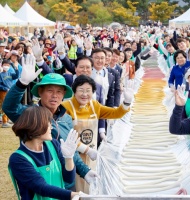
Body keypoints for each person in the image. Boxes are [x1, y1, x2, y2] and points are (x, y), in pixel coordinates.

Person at [3, 55, 98, 190]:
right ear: (40, 92)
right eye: (50, 91)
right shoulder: (30, 114)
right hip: (40, 177)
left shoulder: (65, 117)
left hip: (65, 179)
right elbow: (9, 107)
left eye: (59, 92)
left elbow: (70, 149)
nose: (55, 96)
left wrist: (85, 170)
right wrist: (21, 83)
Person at [61, 75, 134, 193]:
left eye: (88, 91)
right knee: (75, 189)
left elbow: (116, 113)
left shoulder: (95, 106)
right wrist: (86, 150)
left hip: (92, 156)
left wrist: (126, 102)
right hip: (72, 156)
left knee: (90, 187)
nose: (85, 94)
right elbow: (65, 134)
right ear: (74, 91)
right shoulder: (66, 107)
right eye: (81, 90)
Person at [8, 106, 79, 199]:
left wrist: (69, 158)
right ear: (35, 125)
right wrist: (72, 195)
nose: (52, 127)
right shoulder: (18, 159)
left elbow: (69, 179)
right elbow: (41, 187)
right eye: (48, 123)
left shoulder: (53, 144)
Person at [0, 59, 19, 128]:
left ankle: (8, 119)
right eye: (5, 65)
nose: (6, 66)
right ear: (2, 65)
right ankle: (4, 122)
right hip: (3, 92)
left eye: (8, 65)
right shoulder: (0, 75)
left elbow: (16, 76)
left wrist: (16, 68)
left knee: (10, 105)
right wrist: (4, 88)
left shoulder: (10, 73)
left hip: (10, 91)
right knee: (5, 105)